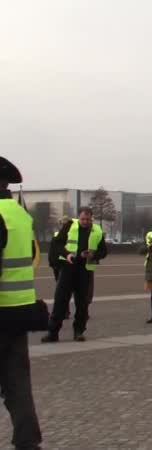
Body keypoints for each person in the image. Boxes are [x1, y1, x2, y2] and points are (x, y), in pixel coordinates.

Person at [0, 157, 47, 450]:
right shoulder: (19, 215)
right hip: (19, 311)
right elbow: (30, 256)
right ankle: (28, 442)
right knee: (18, 384)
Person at [42, 207, 108, 343]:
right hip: (68, 267)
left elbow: (104, 251)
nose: (85, 222)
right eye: (83, 219)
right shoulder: (69, 225)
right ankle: (53, 332)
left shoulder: (97, 230)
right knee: (60, 301)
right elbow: (57, 244)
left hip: (85, 270)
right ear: (78, 217)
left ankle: (79, 331)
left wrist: (93, 254)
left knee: (82, 303)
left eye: (88, 219)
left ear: (92, 218)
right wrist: (67, 254)